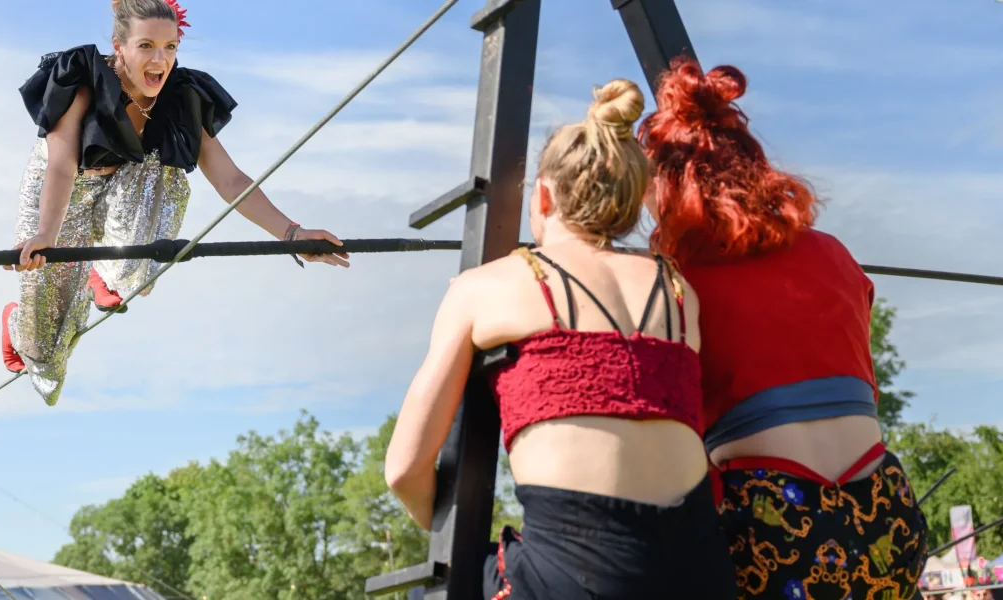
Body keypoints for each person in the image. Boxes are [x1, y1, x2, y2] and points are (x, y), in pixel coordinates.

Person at [384, 79, 736, 599]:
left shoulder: (487, 286)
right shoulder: (679, 289)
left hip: (577, 576)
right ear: (637, 197)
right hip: (699, 572)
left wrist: (441, 527)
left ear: (543, 196)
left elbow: (404, 469)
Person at [637, 57, 929, 599]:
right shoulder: (835, 254)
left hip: (778, 532)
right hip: (888, 517)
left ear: (671, 184)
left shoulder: (678, 280)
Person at [0, 0, 349, 406]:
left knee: (164, 170)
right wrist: (46, 234)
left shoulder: (181, 95)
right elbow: (60, 166)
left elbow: (230, 179)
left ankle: (110, 272)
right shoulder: (84, 79)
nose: (159, 59)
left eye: (170, 47)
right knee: (46, 354)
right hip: (57, 195)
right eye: (146, 45)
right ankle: (17, 323)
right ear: (120, 47)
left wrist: (293, 233)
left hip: (120, 196)